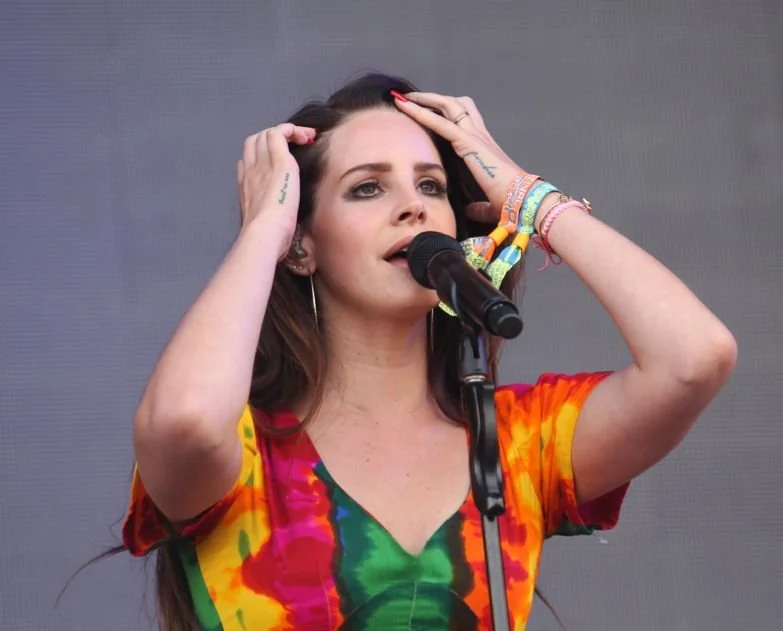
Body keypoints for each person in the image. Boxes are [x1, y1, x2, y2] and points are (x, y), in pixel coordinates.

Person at [120, 73, 737, 630]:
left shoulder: (516, 441)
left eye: (431, 185)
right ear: (301, 245)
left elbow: (695, 358)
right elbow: (183, 422)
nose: (414, 206)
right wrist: (264, 229)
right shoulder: (245, 458)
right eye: (367, 189)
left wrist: (526, 197)